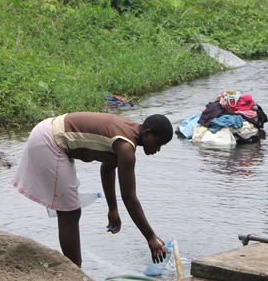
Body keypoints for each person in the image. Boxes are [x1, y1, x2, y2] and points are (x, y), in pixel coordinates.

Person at [12, 112, 173, 267]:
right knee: (69, 212)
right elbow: (129, 198)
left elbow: (108, 167)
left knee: (71, 210)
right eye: (158, 143)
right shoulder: (126, 147)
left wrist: (112, 209)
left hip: (49, 130)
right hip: (50, 140)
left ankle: (74, 270)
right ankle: (74, 273)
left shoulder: (128, 132)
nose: (157, 149)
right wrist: (151, 237)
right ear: (147, 133)